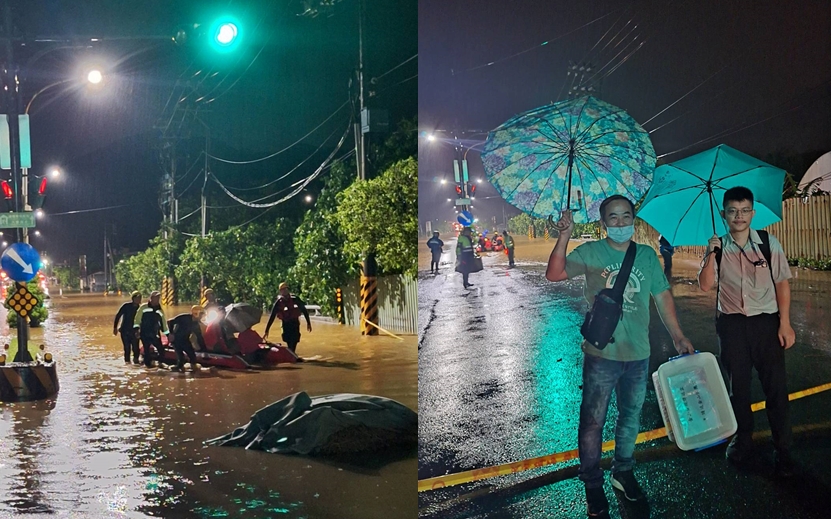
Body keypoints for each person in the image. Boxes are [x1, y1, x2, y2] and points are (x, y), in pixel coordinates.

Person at [545, 195, 694, 517]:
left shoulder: (646, 256)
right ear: (603, 223)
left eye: (626, 216)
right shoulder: (591, 252)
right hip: (602, 354)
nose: (620, 223)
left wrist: (678, 336)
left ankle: (623, 472)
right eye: (613, 217)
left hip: (638, 353)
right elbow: (554, 274)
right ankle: (593, 485)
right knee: (592, 423)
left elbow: (662, 296)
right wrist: (564, 235)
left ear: (633, 220)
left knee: (630, 418)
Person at [697, 186, 795, 477]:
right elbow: (705, 286)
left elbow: (782, 283)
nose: (738, 216)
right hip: (732, 327)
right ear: (723, 213)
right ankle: (743, 441)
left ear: (752, 212)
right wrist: (711, 253)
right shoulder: (718, 246)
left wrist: (785, 323)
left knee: (776, 390)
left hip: (766, 324)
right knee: (737, 389)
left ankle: (784, 450)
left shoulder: (768, 243)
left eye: (744, 210)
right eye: (732, 210)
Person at [264, 282, 312, 357]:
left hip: (295, 323)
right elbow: (272, 316)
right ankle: (292, 355)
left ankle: (292, 355)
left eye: (286, 289)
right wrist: (267, 329)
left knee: (295, 340)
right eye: (283, 289)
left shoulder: (295, 299)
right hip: (286, 325)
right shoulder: (278, 303)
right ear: (280, 291)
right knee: (289, 341)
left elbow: (304, 310)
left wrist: (308, 323)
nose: (285, 291)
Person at [134, 290, 169, 368]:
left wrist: (167, 334)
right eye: (156, 297)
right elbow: (137, 319)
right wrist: (136, 330)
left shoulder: (159, 310)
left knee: (161, 349)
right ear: (151, 298)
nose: (157, 299)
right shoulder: (143, 307)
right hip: (145, 332)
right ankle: (148, 367)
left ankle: (160, 363)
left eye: (158, 297)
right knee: (146, 349)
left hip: (155, 333)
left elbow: (163, 323)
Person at [168, 305, 207, 371]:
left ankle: (193, 371)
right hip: (176, 339)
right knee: (181, 359)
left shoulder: (196, 324)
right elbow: (170, 322)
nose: (201, 317)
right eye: (201, 315)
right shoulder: (184, 317)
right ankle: (178, 370)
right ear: (196, 313)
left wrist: (204, 349)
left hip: (185, 340)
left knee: (193, 357)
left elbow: (199, 337)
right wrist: (171, 333)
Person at [113, 291, 142, 364]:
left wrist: (140, 331)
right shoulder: (126, 306)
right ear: (133, 298)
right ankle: (127, 364)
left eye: (140, 298)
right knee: (127, 348)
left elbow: (143, 321)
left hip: (135, 332)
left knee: (136, 349)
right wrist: (115, 328)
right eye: (137, 298)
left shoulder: (141, 309)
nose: (139, 299)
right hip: (125, 331)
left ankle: (136, 363)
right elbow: (118, 316)